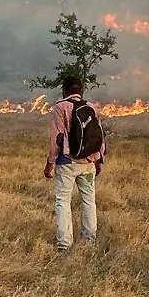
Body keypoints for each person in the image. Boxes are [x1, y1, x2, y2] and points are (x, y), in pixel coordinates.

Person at [44, 76, 106, 252]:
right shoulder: (92, 107)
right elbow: (99, 136)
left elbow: (57, 138)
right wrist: (98, 160)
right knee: (88, 200)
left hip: (67, 162)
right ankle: (89, 240)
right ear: (81, 91)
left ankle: (64, 243)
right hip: (89, 162)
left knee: (63, 201)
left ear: (64, 90)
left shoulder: (60, 107)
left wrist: (50, 162)